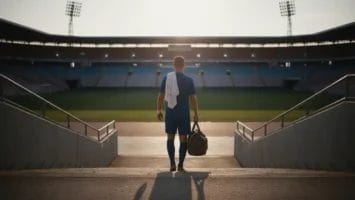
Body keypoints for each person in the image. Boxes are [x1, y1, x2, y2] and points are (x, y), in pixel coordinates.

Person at [156, 56, 199, 172]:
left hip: (171, 113)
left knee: (170, 137)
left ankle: (172, 164)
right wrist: (196, 114)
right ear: (184, 65)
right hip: (184, 114)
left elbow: (160, 96)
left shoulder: (167, 78)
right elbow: (193, 99)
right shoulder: (189, 80)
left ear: (173, 65)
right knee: (183, 139)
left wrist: (158, 110)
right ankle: (180, 165)